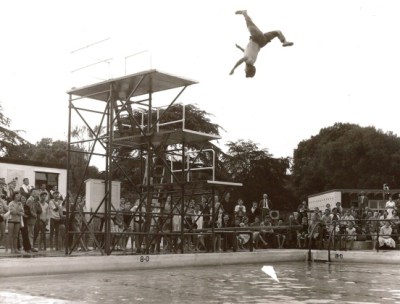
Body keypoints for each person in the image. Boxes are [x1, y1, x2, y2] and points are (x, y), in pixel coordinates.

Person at [230, 10, 293, 78]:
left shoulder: (249, 59)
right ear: (248, 69)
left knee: (277, 32)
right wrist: (233, 69)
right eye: (245, 71)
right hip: (258, 39)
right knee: (250, 25)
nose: (244, 70)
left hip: (262, 42)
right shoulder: (249, 61)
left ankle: (284, 41)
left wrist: (239, 47)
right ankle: (244, 12)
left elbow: (246, 51)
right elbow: (241, 60)